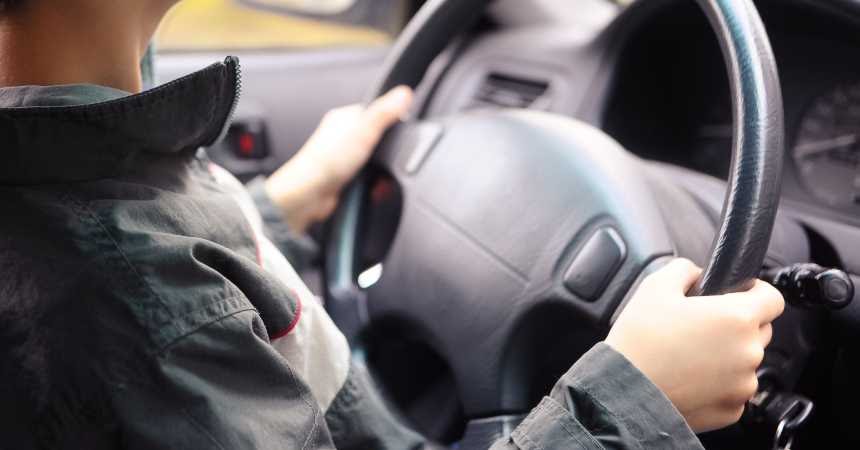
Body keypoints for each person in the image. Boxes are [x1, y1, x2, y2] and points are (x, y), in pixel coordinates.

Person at [0, 1, 784, 449]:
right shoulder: (130, 302)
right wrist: (634, 397)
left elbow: (161, 278)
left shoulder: (80, 168)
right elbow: (149, 311)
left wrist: (280, 207)